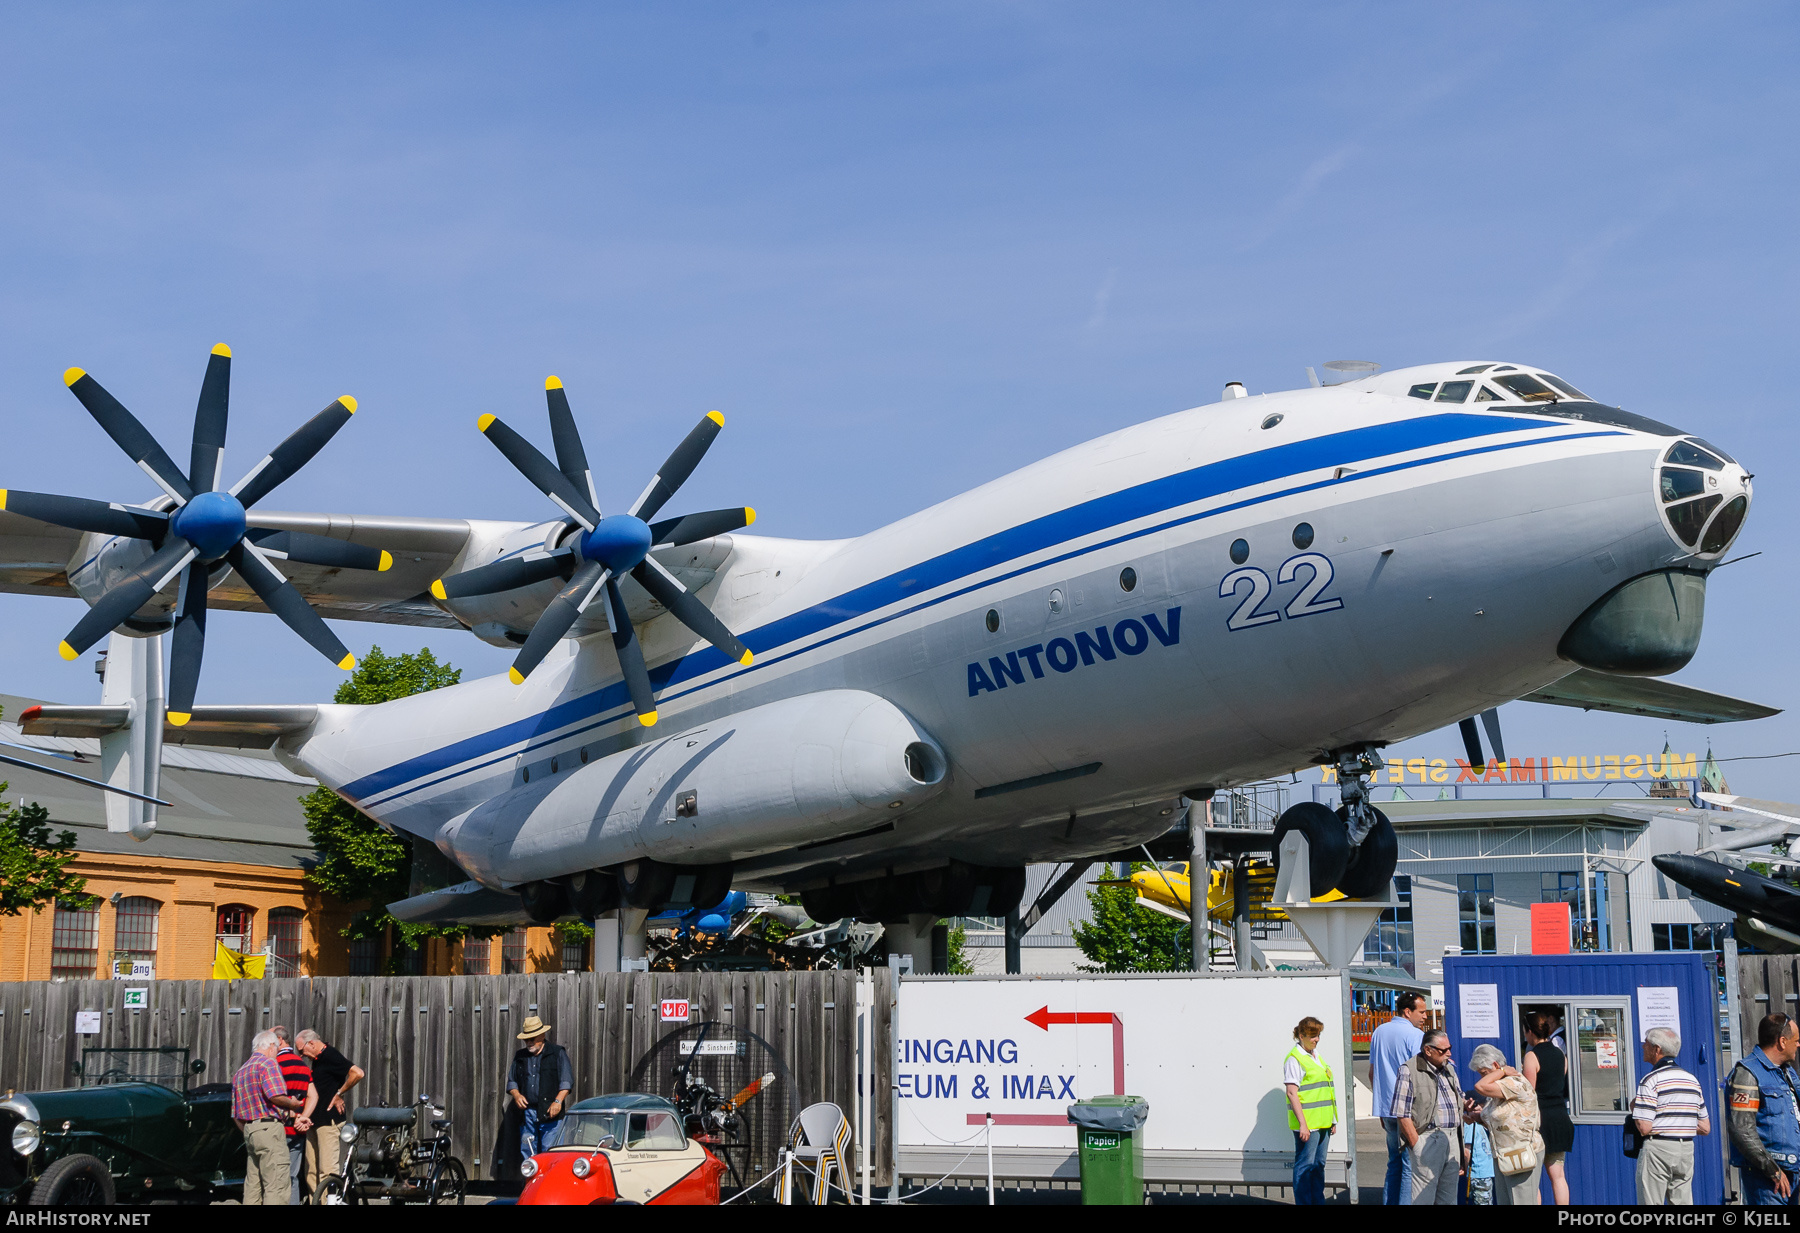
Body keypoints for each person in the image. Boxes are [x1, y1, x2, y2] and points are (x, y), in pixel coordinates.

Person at [1727, 1012, 1800, 1206]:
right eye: (1796, 1040)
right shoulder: (1747, 1073)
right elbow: (1741, 1130)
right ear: (1782, 1042)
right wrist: (1773, 1171)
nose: (1798, 1045)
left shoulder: (1787, 1073)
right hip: (1767, 1180)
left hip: (1793, 1173)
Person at [1632, 1026, 1711, 1205]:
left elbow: (1644, 1127)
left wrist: (1636, 1109)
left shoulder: (1650, 1080)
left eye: (1646, 1044)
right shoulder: (1692, 1080)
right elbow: (1705, 1127)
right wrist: (1678, 1124)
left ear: (1657, 1049)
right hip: (1686, 1150)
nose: (1643, 1047)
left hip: (1658, 1149)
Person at [1370, 991, 1430, 1203]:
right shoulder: (1415, 1036)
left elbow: (1372, 1072)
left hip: (1386, 1108)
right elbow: (1419, 1074)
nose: (1425, 1016)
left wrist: (1379, 1104)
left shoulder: (1379, 1031)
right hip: (1407, 1109)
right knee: (1409, 1165)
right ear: (1407, 1011)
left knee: (1394, 1163)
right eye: (1421, 1012)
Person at [232, 1029, 304, 1205]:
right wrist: (293, 1104)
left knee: (253, 1186)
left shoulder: (240, 1071)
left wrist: (251, 1129)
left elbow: (235, 1113)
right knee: (277, 1184)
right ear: (271, 1046)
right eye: (278, 1050)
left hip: (250, 1130)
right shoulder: (268, 1064)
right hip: (269, 1130)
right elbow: (274, 1096)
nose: (277, 1053)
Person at [1392, 1027, 1463, 1204]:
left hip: (1452, 1139)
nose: (1449, 1053)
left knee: (1449, 1199)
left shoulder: (1450, 1069)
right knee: (1423, 1199)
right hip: (1429, 1140)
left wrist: (1466, 1105)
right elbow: (1401, 1113)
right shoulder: (1409, 1070)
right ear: (1428, 1050)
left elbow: (1459, 1098)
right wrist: (1416, 1144)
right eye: (1443, 1050)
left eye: (1449, 1048)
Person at [1470, 1043, 1543, 1205]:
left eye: (1484, 1073)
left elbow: (1480, 1087)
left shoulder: (1514, 1082)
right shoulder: (1499, 1089)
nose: (1482, 1077)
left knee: (1522, 1202)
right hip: (1503, 1155)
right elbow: (1499, 1117)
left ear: (1495, 1065)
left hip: (1521, 1152)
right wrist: (1475, 1116)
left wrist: (1501, 1071)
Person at [296, 1028, 365, 1197]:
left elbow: (358, 1073)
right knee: (311, 1171)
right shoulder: (318, 1059)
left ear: (311, 1043)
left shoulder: (330, 1055)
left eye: (301, 1050)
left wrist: (339, 1094)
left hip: (328, 1121)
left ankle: (329, 1202)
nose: (301, 1055)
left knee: (326, 1170)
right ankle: (316, 1201)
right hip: (314, 1120)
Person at [1283, 1016, 1337, 1205]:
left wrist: (1333, 1120)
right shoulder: (1294, 1059)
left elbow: (1325, 1089)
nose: (1317, 1040)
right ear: (1301, 1035)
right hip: (1308, 1125)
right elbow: (1292, 1093)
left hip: (1322, 1123)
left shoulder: (1315, 1055)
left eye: (1318, 1035)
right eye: (1313, 1036)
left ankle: (1317, 1201)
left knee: (1318, 1166)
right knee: (1305, 1167)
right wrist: (1303, 1125)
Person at [1522, 1011, 1574, 1204]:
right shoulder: (1561, 1054)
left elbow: (1528, 1094)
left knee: (1532, 1180)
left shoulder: (1531, 1056)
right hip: (1560, 1118)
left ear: (1529, 1031)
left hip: (1540, 1121)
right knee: (1558, 1177)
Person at [509, 1015, 572, 1157]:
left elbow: (566, 1081)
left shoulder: (557, 1053)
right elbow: (512, 1081)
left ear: (542, 1035)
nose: (529, 1042)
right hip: (527, 1113)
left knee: (550, 1152)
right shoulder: (520, 1056)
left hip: (551, 1113)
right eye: (526, 1039)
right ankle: (531, 1180)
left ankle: (549, 1180)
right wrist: (516, 1095)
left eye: (532, 1039)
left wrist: (558, 1101)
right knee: (528, 1152)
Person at [272, 1026, 317, 1204]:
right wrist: (303, 1116)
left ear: (280, 1040)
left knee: (274, 1177)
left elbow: (272, 1097)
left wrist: (292, 1115)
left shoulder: (273, 1065)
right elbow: (313, 1095)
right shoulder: (303, 1066)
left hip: (278, 1127)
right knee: (292, 1177)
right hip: (297, 1130)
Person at [1462, 1112, 1495, 1204]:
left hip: (1485, 1173)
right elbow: (1466, 1151)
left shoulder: (1480, 1123)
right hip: (1478, 1175)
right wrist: (1465, 1168)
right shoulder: (1469, 1125)